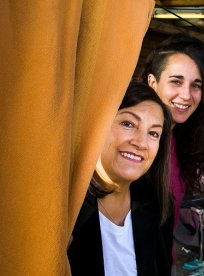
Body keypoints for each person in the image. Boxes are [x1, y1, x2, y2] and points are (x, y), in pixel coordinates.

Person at [137, 34, 204, 270]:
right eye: (176, 81)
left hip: (165, 260)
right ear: (152, 82)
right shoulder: (134, 146)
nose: (186, 95)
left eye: (195, 85)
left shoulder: (179, 139)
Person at [67, 81, 173, 276]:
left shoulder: (157, 205)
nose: (141, 143)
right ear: (98, 126)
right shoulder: (66, 210)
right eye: (128, 124)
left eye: (153, 133)